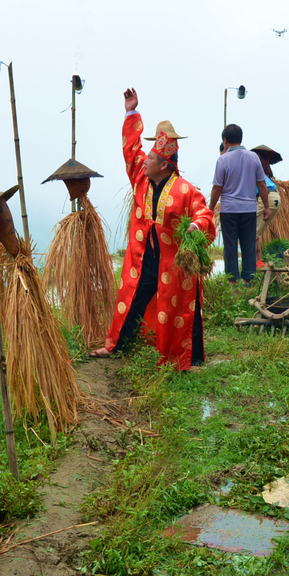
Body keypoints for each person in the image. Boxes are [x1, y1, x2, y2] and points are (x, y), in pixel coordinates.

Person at [90, 88, 216, 371]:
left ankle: (189, 358)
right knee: (132, 299)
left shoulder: (185, 190)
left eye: (150, 158)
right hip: (144, 259)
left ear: (163, 164)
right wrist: (131, 112)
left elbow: (205, 215)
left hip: (174, 264)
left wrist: (195, 226)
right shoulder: (141, 181)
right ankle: (116, 346)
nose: (144, 160)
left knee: (182, 308)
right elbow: (131, 151)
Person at [209, 125, 270, 284]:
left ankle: (232, 282)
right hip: (249, 209)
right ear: (240, 139)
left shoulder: (223, 160)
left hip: (229, 210)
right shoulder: (253, 157)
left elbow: (217, 188)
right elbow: (262, 184)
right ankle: (248, 281)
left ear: (225, 140)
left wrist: (210, 209)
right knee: (248, 244)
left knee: (230, 246)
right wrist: (266, 207)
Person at [250, 145, 283, 261]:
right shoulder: (260, 171)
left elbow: (261, 186)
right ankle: (258, 263)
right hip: (272, 196)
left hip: (267, 197)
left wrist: (266, 206)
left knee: (249, 233)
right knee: (254, 233)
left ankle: (251, 265)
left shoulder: (252, 169)